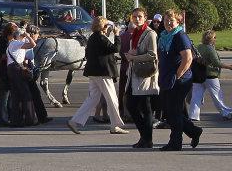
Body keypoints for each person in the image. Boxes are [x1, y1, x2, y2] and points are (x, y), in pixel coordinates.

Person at [66, 17, 127, 134]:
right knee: (112, 99)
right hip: (103, 73)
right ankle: (115, 125)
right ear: (103, 26)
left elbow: (92, 53)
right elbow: (115, 48)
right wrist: (117, 35)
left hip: (93, 72)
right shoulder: (101, 38)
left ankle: (74, 121)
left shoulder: (93, 37)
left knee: (93, 99)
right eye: (107, 25)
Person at [157, 9, 201, 151]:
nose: (168, 23)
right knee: (169, 111)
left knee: (173, 112)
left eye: (172, 21)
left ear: (178, 22)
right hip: (166, 78)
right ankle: (194, 131)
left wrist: (177, 75)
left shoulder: (180, 36)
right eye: (166, 20)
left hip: (179, 80)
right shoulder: (164, 36)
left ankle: (175, 142)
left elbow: (188, 58)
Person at [125, 8, 159, 148]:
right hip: (134, 73)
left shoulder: (150, 34)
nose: (137, 19)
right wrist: (132, 54)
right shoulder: (135, 33)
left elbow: (153, 55)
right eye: (134, 17)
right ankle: (144, 136)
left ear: (145, 18)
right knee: (131, 105)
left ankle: (147, 139)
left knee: (145, 108)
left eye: (139, 16)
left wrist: (134, 57)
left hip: (145, 74)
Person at [188, 29, 232, 121]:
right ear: (211, 39)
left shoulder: (199, 47)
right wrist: (229, 67)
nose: (216, 39)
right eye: (215, 37)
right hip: (210, 76)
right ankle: (226, 113)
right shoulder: (210, 49)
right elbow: (216, 63)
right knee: (217, 96)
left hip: (198, 76)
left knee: (196, 96)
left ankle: (193, 115)